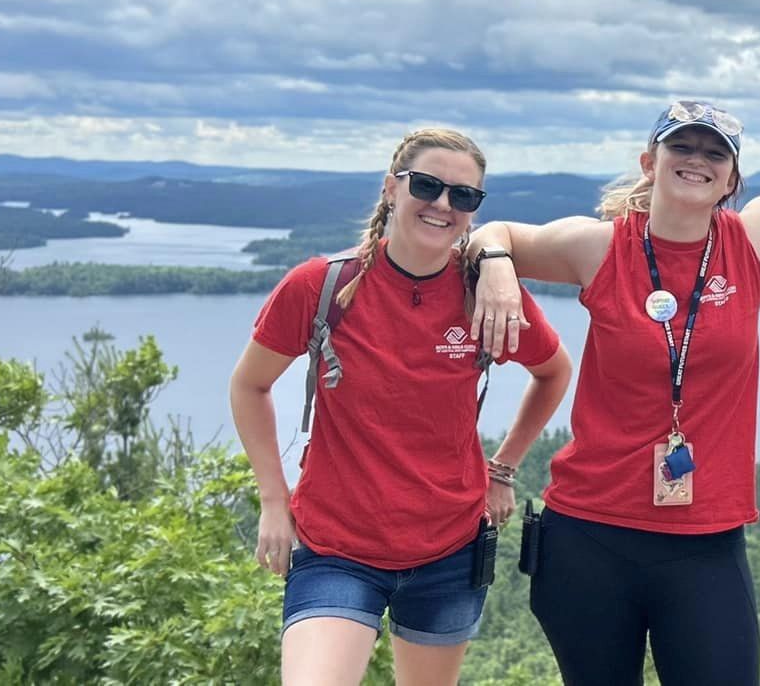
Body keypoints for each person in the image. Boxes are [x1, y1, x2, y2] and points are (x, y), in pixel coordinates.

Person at [466, 100, 760, 686]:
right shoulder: (600, 247)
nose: (696, 160)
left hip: (704, 539)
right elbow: (493, 232)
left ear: (731, 180)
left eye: (715, 153)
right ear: (650, 162)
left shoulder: (750, 239)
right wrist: (500, 265)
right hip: (588, 535)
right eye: (681, 146)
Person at [229, 126, 573, 686]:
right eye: (427, 186)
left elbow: (553, 371)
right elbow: (249, 386)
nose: (443, 205)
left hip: (450, 550)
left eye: (463, 196)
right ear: (392, 188)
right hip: (336, 546)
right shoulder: (320, 286)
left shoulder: (480, 294)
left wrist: (502, 469)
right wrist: (273, 497)